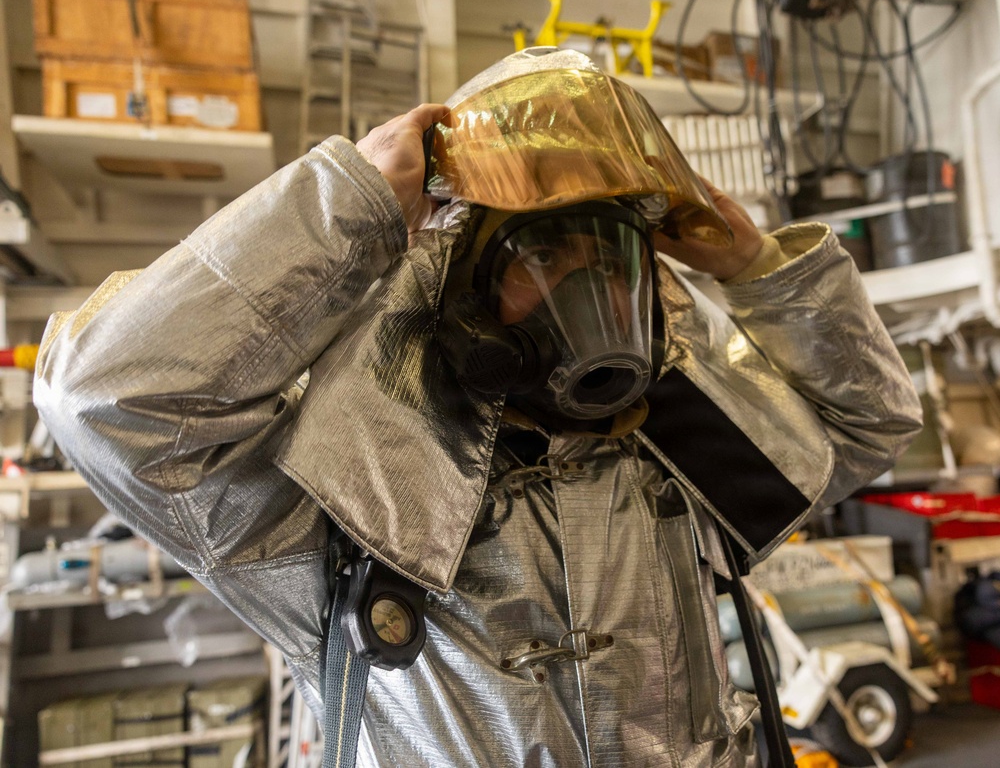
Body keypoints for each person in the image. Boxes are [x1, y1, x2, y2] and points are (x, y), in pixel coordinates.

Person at [35, 49, 921, 767]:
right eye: (543, 257)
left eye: (611, 256)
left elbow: (869, 424)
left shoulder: (678, 456)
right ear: (459, 283)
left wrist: (759, 265)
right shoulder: (337, 507)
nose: (588, 293)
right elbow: (110, 396)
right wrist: (358, 202)